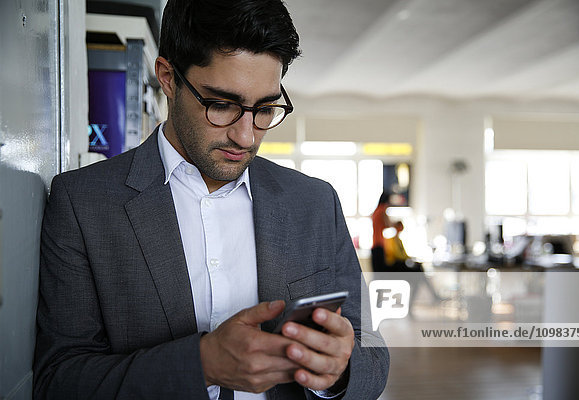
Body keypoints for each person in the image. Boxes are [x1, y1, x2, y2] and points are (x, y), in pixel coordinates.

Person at [33, 0, 389, 399]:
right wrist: (201, 364)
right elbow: (58, 381)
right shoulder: (83, 203)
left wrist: (337, 373)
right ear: (168, 78)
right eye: (221, 104)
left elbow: (371, 354)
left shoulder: (315, 202)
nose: (246, 136)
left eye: (266, 109)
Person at [370, 192, 390, 273]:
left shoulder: (376, 211)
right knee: (381, 272)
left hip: (374, 244)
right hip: (379, 245)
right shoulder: (382, 210)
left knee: (376, 273)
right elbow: (388, 224)